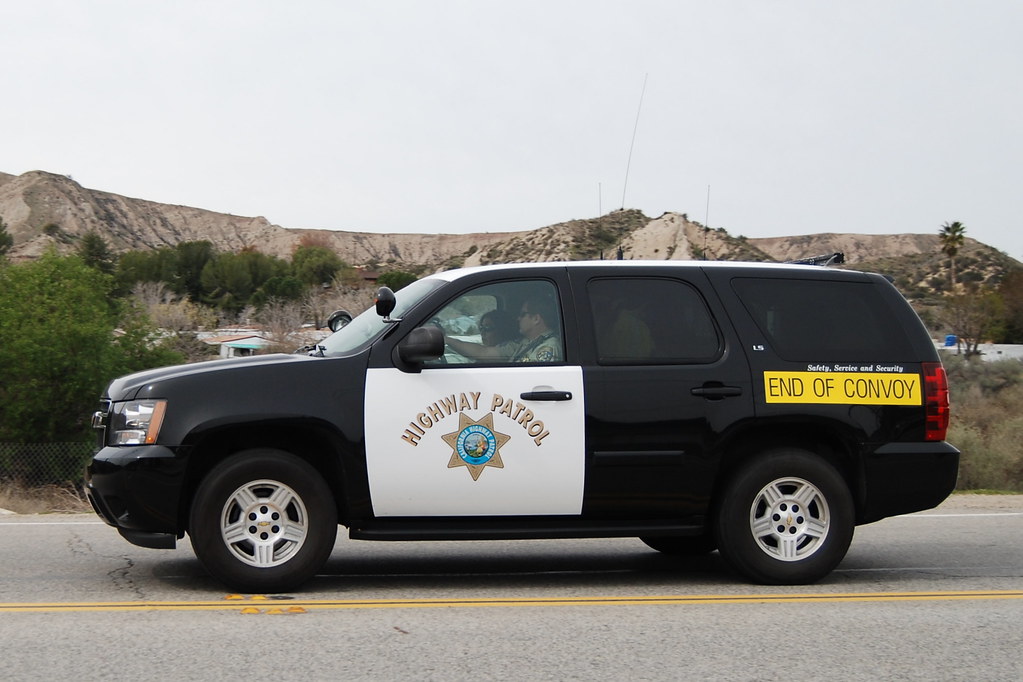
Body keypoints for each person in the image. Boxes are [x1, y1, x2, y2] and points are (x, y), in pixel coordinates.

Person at [510, 297, 562, 362]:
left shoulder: (549, 346)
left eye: (522, 314)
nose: (518, 319)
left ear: (536, 319)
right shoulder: (528, 342)